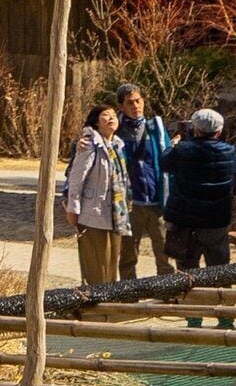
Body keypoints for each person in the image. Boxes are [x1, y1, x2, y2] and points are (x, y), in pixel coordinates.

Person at [162, 106, 236, 280]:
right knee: (219, 269)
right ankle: (221, 302)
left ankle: (191, 304)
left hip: (185, 221)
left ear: (195, 129)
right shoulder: (230, 152)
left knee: (186, 272)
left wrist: (173, 145)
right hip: (216, 219)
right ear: (219, 131)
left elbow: (165, 164)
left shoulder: (183, 150)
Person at [60, 103, 132, 286]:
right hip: (93, 214)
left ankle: (107, 305)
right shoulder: (89, 145)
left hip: (116, 215)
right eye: (105, 115)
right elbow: (76, 179)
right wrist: (72, 209)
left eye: (114, 115)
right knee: (96, 265)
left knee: (110, 265)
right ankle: (95, 307)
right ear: (96, 122)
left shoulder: (116, 146)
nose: (111, 118)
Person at [114, 84, 173, 276]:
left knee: (164, 250)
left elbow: (166, 158)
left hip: (156, 198)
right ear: (121, 106)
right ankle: (129, 295)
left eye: (138, 101)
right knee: (129, 252)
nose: (135, 106)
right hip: (131, 202)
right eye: (129, 102)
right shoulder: (115, 131)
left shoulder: (155, 127)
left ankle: (168, 292)